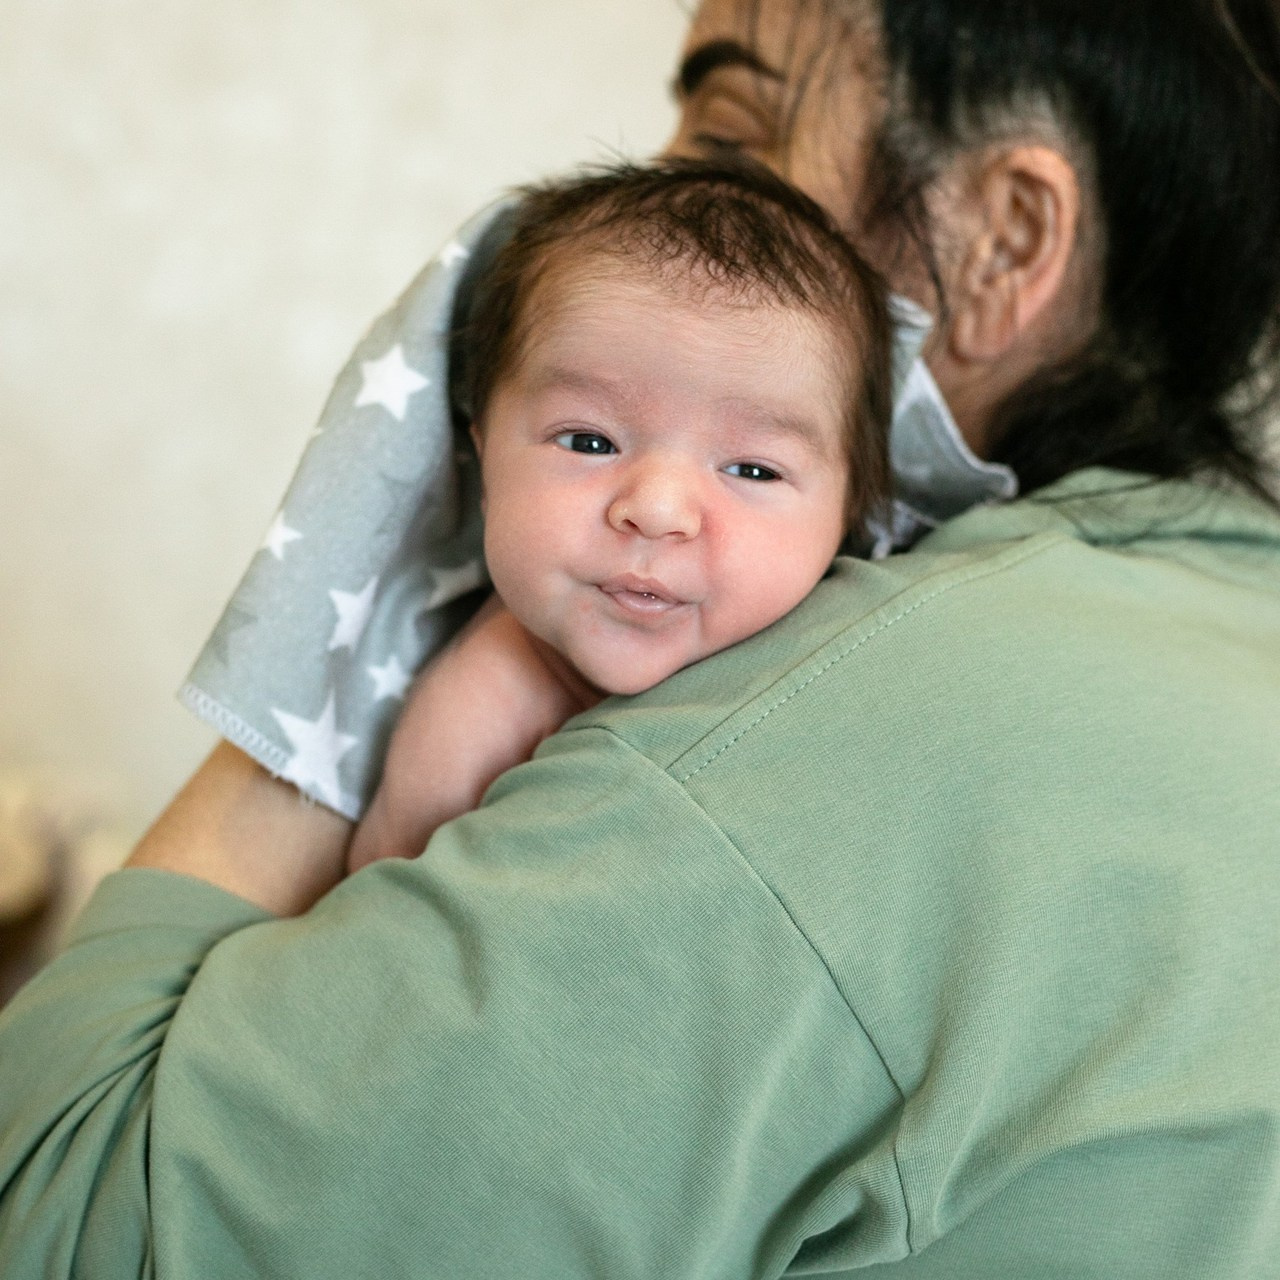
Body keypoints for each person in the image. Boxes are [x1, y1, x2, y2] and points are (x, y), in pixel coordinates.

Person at [2, 0, 1279, 1275]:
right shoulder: (1226, 627)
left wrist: (345, 603)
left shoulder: (747, 752)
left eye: (725, 140)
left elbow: (61, 1219)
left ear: (1003, 238)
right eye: (591, 439)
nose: (654, 204)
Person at [350, 159, 893, 867]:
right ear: (482, 457)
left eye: (754, 469)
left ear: (850, 511)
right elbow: (386, 933)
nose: (657, 511)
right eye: (589, 441)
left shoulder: (866, 659)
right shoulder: (474, 722)